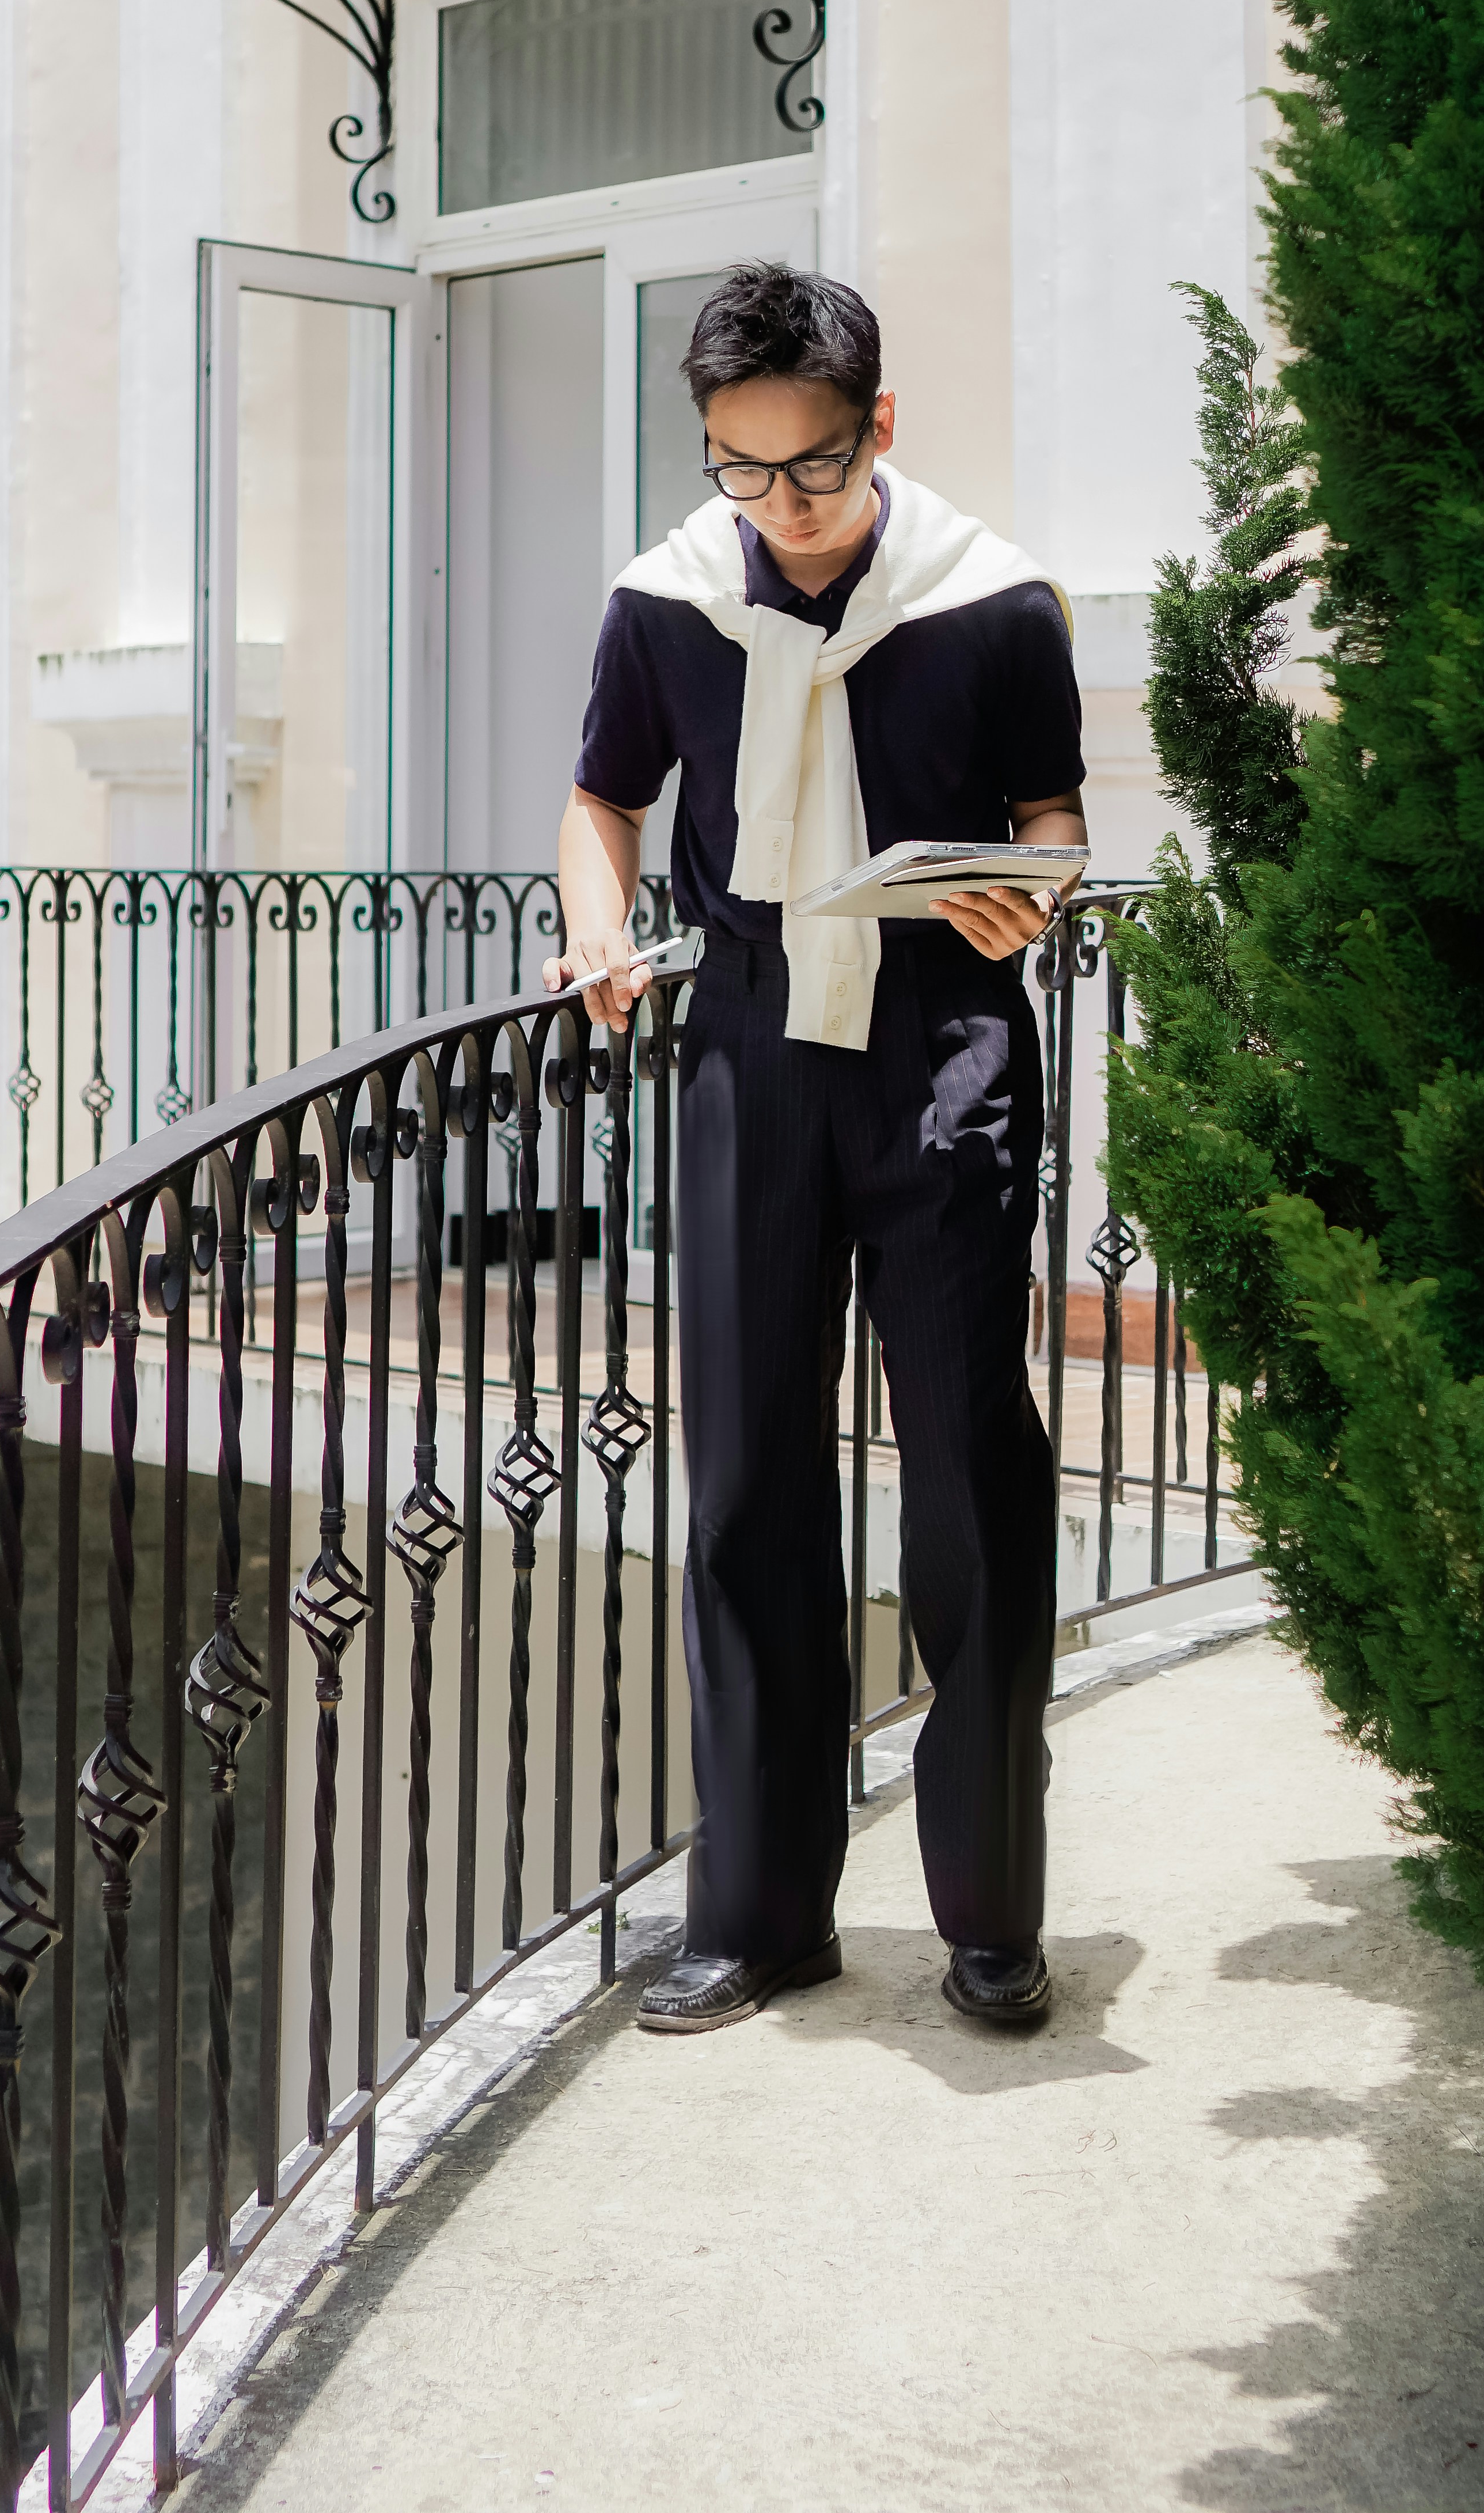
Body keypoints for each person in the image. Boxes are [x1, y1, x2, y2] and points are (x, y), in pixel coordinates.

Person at [543, 260, 1086, 2034]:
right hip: (752, 1040)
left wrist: (1034, 893)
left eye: (815, 472)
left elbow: (1049, 813)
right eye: (740, 471)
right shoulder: (669, 600)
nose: (780, 513)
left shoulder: (991, 601)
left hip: (941, 1035)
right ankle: (763, 1916)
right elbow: (605, 796)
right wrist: (599, 925)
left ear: (883, 428)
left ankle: (991, 1916)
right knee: (752, 1484)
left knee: (969, 1487)